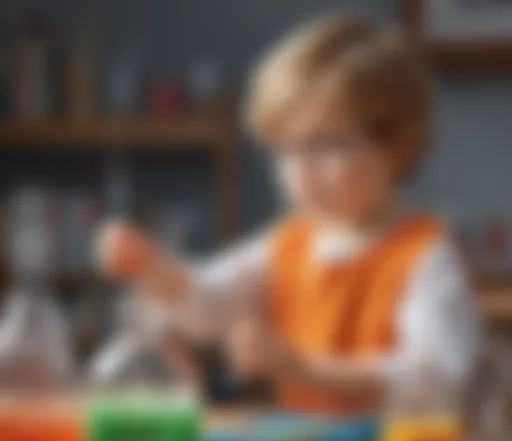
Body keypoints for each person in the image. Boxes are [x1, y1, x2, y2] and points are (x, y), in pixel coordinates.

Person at [96, 13, 480, 414]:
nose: (301, 171)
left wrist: (307, 370)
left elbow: (441, 375)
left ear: (399, 147)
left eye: (327, 144)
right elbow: (209, 303)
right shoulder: (289, 245)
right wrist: (150, 266)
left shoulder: (425, 255)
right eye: (285, 149)